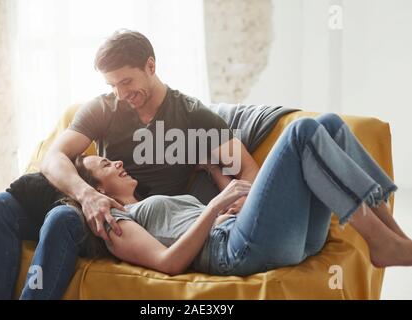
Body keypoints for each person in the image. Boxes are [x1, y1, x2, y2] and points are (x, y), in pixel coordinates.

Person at [0, 29, 259, 299]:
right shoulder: (104, 108)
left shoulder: (192, 116)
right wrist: (88, 195)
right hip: (89, 201)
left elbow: (246, 169)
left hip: (129, 221)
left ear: (150, 66)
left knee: (62, 218)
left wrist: (237, 212)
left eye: (126, 82)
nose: (120, 94)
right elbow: (53, 157)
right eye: (112, 84)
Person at [72, 113, 412, 276]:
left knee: (332, 125)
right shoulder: (114, 221)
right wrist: (216, 206)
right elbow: (168, 262)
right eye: (105, 164)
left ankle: (393, 238)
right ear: (97, 188)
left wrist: (215, 175)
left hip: (272, 237)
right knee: (302, 132)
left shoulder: (154, 201)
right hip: (237, 251)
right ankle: (384, 243)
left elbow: (229, 209)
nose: (116, 162)